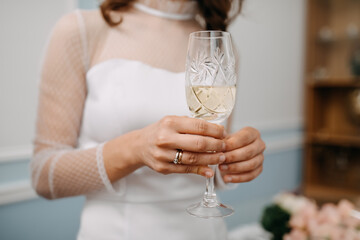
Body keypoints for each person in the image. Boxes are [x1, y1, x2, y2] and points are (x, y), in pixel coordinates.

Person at [31, 0, 266, 239]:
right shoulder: (81, 29)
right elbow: (43, 175)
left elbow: (208, 160)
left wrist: (235, 160)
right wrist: (135, 149)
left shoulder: (219, 45)